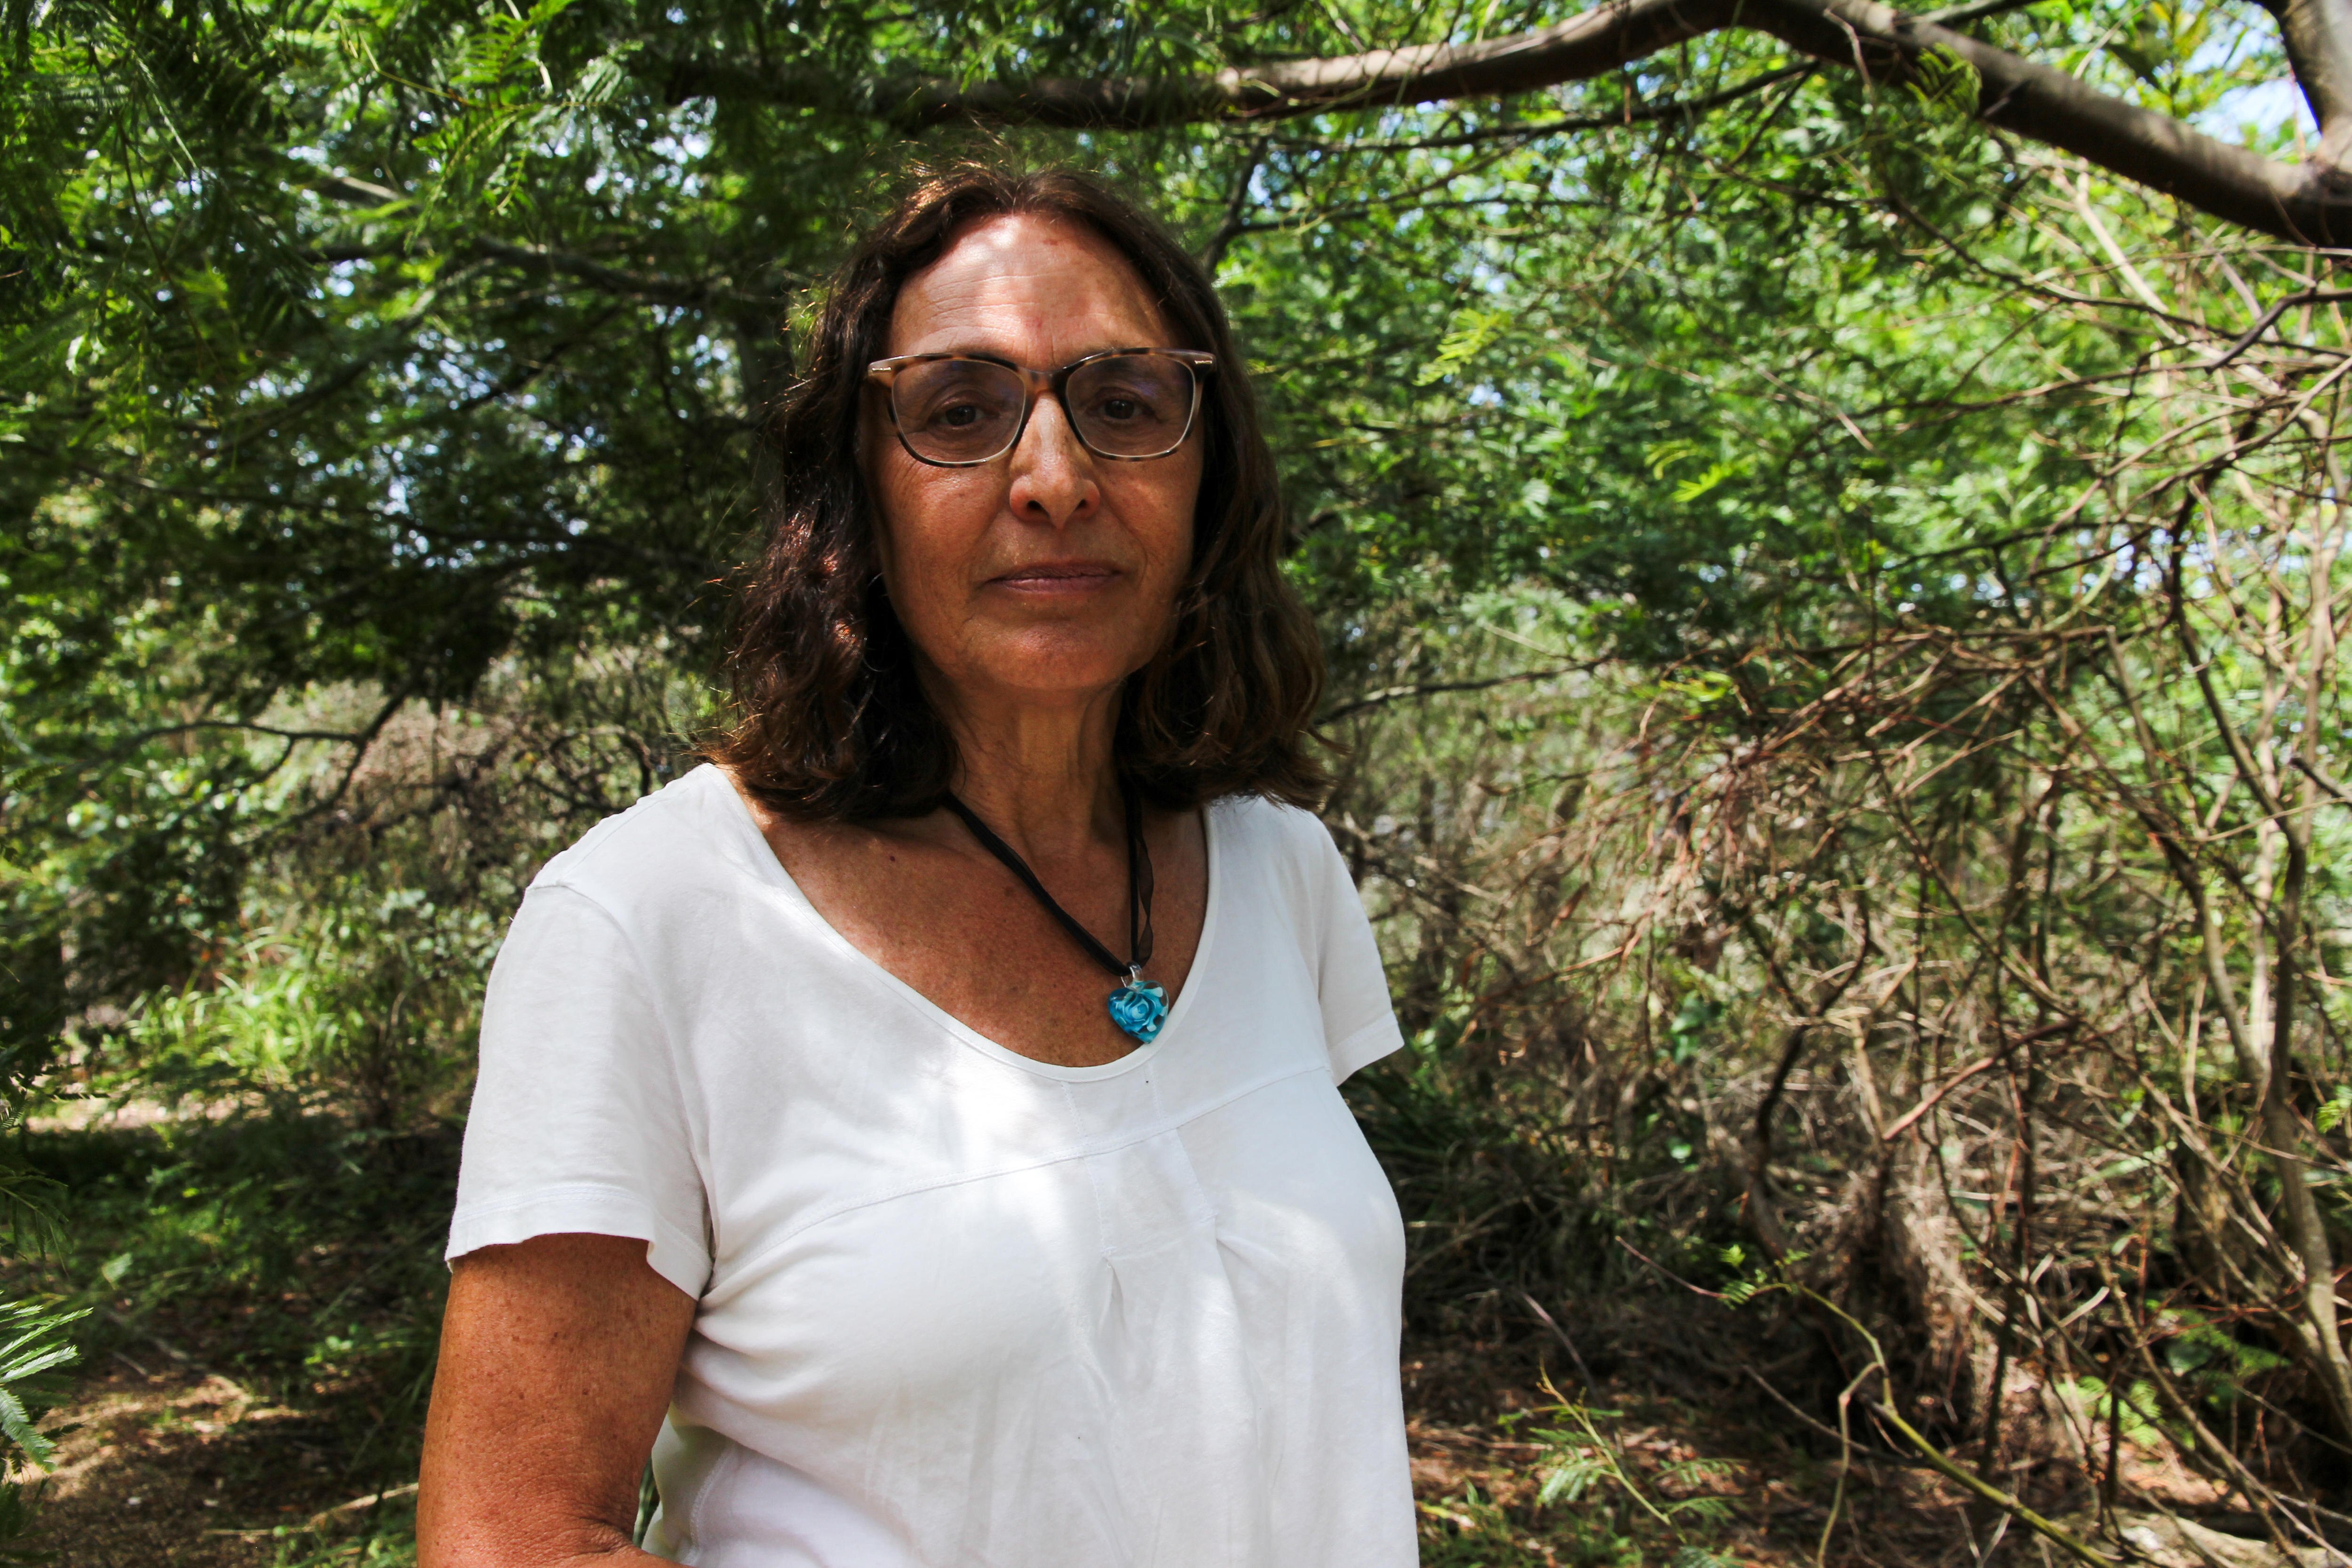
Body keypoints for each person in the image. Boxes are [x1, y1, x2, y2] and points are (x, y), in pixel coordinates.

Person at [415, 165, 1415, 1568]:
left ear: (1209, 475)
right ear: (857, 499)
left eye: (1124, 404)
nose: (1056, 480)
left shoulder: (1280, 874)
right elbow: (508, 1540)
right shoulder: (649, 925)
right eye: (960, 412)